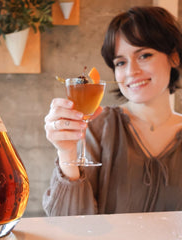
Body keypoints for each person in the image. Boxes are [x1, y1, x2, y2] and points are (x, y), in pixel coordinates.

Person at [43, 6, 182, 216]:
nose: (131, 71)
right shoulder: (99, 127)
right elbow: (69, 222)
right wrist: (66, 152)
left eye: (144, 55)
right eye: (120, 62)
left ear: (174, 57)